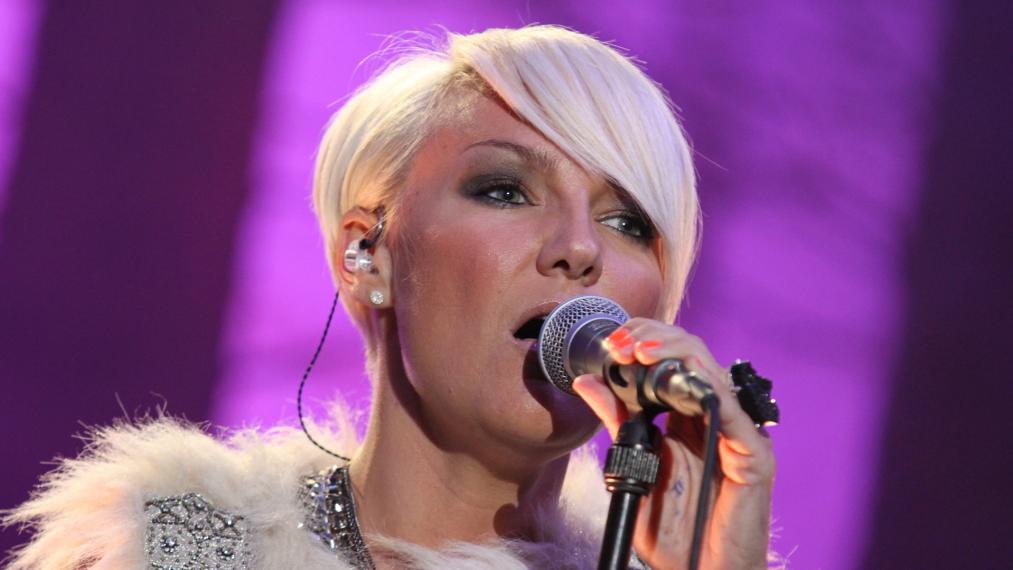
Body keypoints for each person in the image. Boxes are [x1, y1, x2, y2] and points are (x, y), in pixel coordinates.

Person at [5, 25, 775, 569]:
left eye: (627, 221)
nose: (580, 247)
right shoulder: (182, 550)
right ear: (366, 254)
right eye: (505, 190)